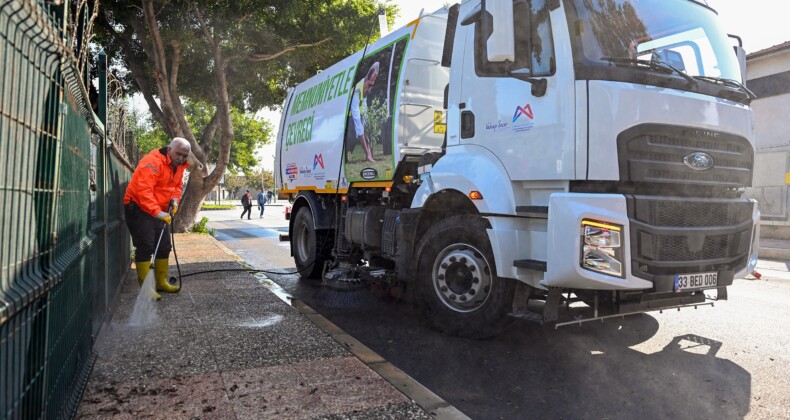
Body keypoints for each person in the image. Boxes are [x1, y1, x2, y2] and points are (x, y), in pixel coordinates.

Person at [123, 137, 191, 298]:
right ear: (169, 150)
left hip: (159, 209)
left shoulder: (179, 166)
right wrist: (157, 212)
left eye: (185, 156)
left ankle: (161, 282)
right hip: (138, 207)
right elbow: (143, 190)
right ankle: (145, 288)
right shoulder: (152, 162)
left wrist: (174, 200)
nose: (181, 158)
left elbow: (177, 186)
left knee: (164, 247)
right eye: (178, 154)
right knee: (145, 246)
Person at [346, 61, 380, 163]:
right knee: (354, 134)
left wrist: (366, 136)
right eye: (369, 85)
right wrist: (368, 153)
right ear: (365, 80)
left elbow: (363, 117)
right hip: (349, 121)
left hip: (355, 120)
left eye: (372, 86)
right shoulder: (357, 91)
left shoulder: (364, 91)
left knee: (363, 134)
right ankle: (344, 155)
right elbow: (357, 123)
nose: (369, 89)